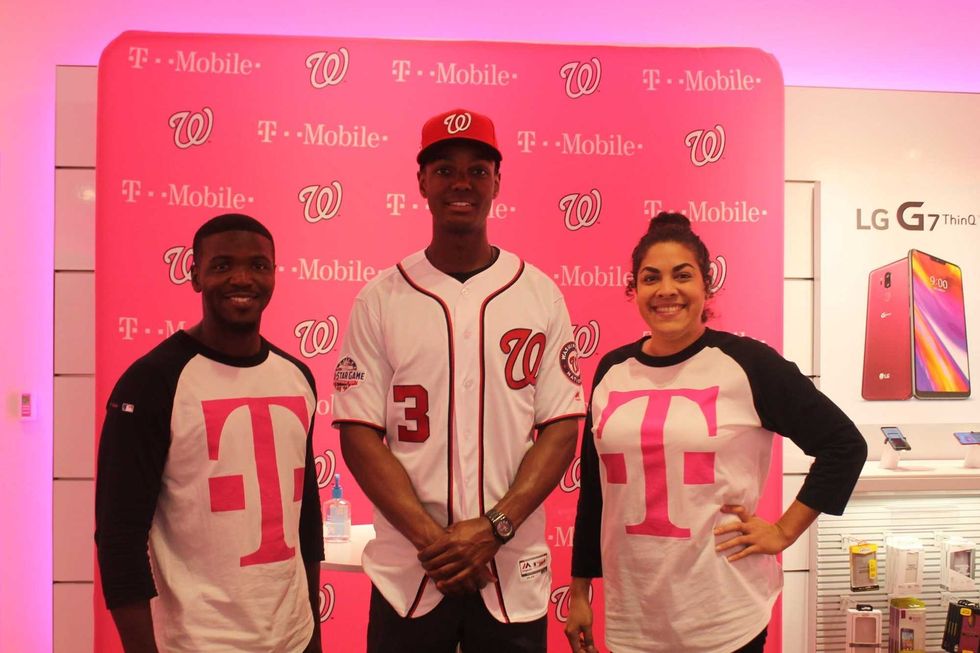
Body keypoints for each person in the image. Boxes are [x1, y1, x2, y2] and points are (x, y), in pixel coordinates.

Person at [332, 108, 586, 653]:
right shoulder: (381, 298)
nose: (461, 183)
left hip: (511, 568)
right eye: (445, 169)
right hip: (410, 571)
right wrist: (439, 545)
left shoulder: (538, 293)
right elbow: (357, 432)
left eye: (477, 169)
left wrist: (493, 529)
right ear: (422, 181)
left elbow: (563, 426)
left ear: (497, 180)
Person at [565, 213, 868, 653]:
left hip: (724, 618)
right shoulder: (612, 370)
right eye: (651, 278)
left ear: (706, 287)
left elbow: (843, 445)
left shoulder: (748, 363)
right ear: (634, 290)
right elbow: (596, 491)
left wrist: (783, 531)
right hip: (634, 617)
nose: (666, 289)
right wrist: (579, 591)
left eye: (682, 275)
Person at [95, 214, 324, 653]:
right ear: (194, 274)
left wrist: (313, 630)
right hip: (197, 643)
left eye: (258, 265)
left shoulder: (297, 376)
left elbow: (305, 516)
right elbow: (118, 537)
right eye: (222, 266)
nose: (242, 278)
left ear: (275, 273)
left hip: (293, 638)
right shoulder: (151, 382)